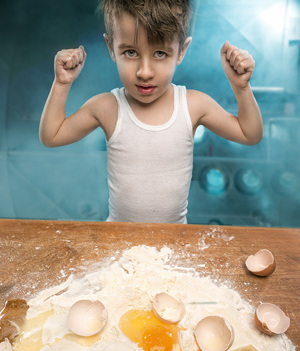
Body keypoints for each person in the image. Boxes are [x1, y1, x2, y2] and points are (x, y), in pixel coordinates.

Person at [39, 0, 263, 224]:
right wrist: (61, 84)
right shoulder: (107, 107)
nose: (144, 72)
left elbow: (249, 134)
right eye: (130, 52)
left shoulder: (193, 104)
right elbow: (52, 135)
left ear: (181, 52)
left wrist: (241, 88)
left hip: (174, 239)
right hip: (117, 238)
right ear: (111, 48)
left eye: (159, 54)